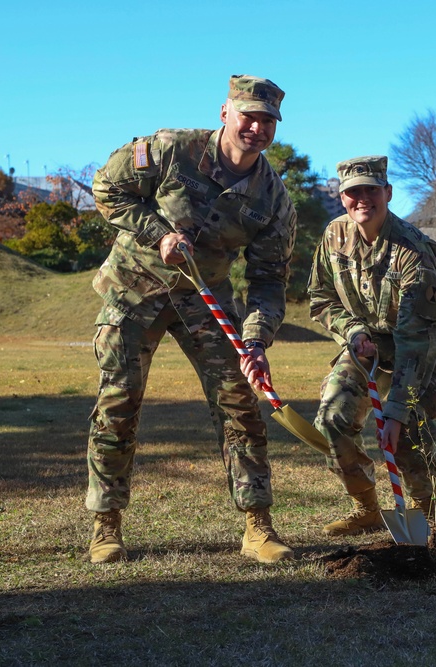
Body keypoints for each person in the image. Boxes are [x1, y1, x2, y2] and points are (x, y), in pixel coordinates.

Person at [86, 74, 297, 564]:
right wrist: (158, 232)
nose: (258, 128)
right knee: (118, 403)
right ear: (225, 113)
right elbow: (108, 187)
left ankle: (257, 526)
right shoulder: (169, 151)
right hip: (135, 291)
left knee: (240, 405)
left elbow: (268, 279)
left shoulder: (272, 199)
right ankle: (106, 525)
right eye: (249, 116)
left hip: (206, 301)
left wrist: (257, 339)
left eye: (268, 121)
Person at [309, 155, 436, 537]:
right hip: (367, 344)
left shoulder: (414, 249)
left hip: (429, 345)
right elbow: (320, 298)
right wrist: (352, 332)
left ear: (388, 193)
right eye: (353, 192)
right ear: (342, 196)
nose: (362, 199)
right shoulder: (333, 236)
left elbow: (417, 338)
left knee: (407, 422)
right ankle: (366, 509)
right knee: (332, 420)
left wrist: (395, 410)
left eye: (371, 190)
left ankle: (423, 512)